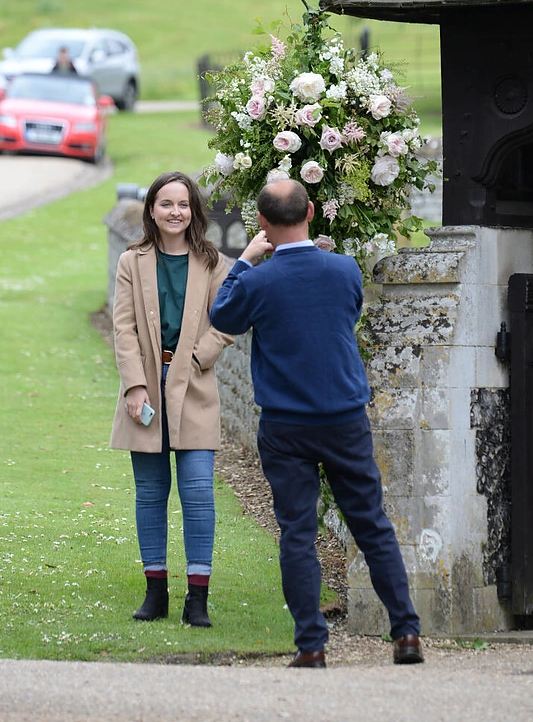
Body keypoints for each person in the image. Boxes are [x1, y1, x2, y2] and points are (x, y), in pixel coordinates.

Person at [210, 178, 423, 667]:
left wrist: (243, 261)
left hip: (286, 425)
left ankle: (312, 644)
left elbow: (223, 315)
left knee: (298, 533)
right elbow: (346, 312)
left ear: (262, 223)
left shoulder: (258, 280)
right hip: (345, 416)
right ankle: (407, 633)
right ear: (311, 213)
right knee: (371, 524)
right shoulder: (344, 269)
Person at [110, 171, 233, 627]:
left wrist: (199, 357)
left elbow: (228, 319)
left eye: (183, 204)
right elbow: (124, 329)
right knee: (150, 492)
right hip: (146, 384)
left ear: (193, 210)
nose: (175, 212)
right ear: (152, 211)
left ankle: (196, 599)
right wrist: (135, 385)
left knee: (199, 491)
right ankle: (155, 592)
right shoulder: (132, 261)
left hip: (195, 385)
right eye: (166, 204)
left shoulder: (213, 263)